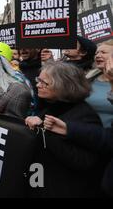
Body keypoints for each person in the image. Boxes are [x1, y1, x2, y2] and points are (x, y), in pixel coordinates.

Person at [25, 61, 105, 197]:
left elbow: (84, 162)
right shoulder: (50, 107)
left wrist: (44, 131)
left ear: (63, 86)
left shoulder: (85, 115)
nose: (38, 85)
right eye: (38, 80)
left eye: (44, 82)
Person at [86, 39, 113, 127]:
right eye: (96, 53)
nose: (98, 56)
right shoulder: (88, 79)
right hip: (89, 134)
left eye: (103, 52)